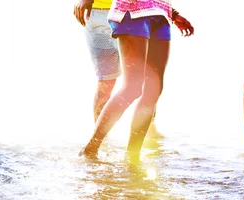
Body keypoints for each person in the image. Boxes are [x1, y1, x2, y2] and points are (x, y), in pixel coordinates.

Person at [77, 0, 194, 161]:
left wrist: (173, 14)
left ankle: (132, 156)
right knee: (132, 88)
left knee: (154, 90)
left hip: (161, 13)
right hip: (131, 11)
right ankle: (90, 149)